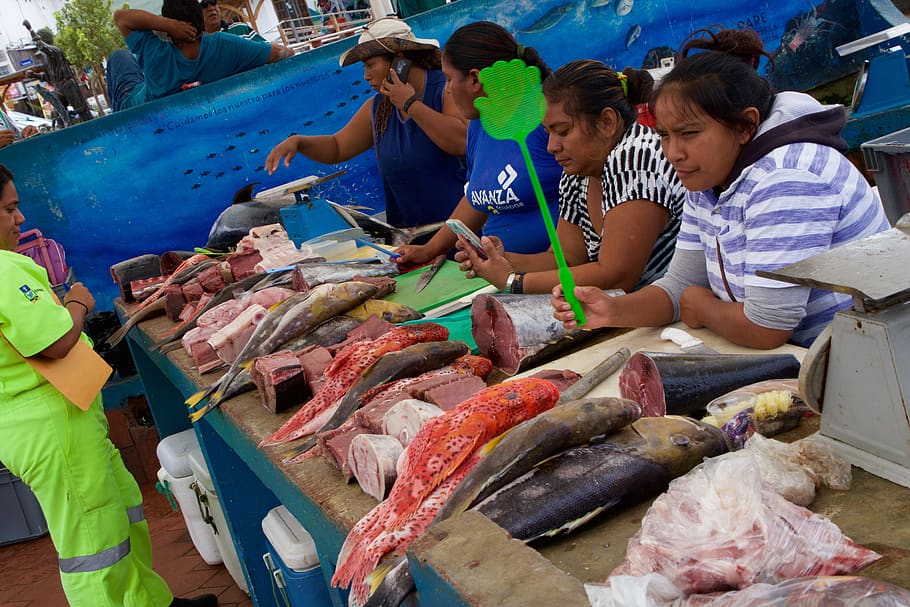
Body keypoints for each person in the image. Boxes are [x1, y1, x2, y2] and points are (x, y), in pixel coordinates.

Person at [552, 50, 890, 349]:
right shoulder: (709, 179)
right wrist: (611, 310)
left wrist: (701, 307)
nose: (673, 153)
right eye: (664, 136)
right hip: (799, 355)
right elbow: (681, 285)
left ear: (745, 126)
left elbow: (766, 327)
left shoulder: (786, 177)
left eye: (689, 134)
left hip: (866, 358)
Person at [0, 165, 217, 607]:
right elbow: (57, 343)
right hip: (50, 423)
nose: (20, 219)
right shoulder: (3, 271)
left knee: (119, 515)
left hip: (57, 415)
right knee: (93, 547)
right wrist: (78, 303)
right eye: (9, 208)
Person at [457, 59, 686, 294]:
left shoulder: (635, 159)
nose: (551, 146)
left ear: (607, 122)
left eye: (563, 131)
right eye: (548, 133)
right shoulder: (578, 172)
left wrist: (513, 281)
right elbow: (566, 259)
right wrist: (502, 260)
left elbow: (616, 276)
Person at [265, 17, 468, 229]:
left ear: (400, 60)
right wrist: (299, 142)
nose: (366, 76)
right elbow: (337, 147)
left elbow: (461, 141)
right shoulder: (379, 107)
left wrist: (410, 104)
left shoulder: (445, 89)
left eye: (371, 65)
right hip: (412, 239)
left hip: (460, 233)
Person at [395, 21, 564, 266]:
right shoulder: (479, 124)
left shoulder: (545, 119)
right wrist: (428, 249)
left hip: (553, 279)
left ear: (475, 79)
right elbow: (479, 197)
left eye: (449, 79)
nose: (448, 90)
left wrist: (509, 267)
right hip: (503, 275)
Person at [107, 0, 293, 112]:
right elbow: (284, 53)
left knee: (119, 56)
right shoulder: (224, 45)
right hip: (154, 90)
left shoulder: (158, 55)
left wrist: (167, 25)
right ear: (201, 20)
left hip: (134, 106)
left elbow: (121, 17)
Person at [23, 23, 94, 124]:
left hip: (68, 84)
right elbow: (48, 76)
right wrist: (34, 75)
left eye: (40, 39)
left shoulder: (55, 50)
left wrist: (30, 29)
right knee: (58, 113)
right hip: (58, 87)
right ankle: (66, 133)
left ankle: (93, 128)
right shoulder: (43, 57)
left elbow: (42, 46)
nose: (38, 44)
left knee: (82, 110)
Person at [200, 0, 267, 42]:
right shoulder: (200, 43)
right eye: (204, 5)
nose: (211, 8)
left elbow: (267, 49)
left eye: (213, 2)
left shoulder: (241, 28)